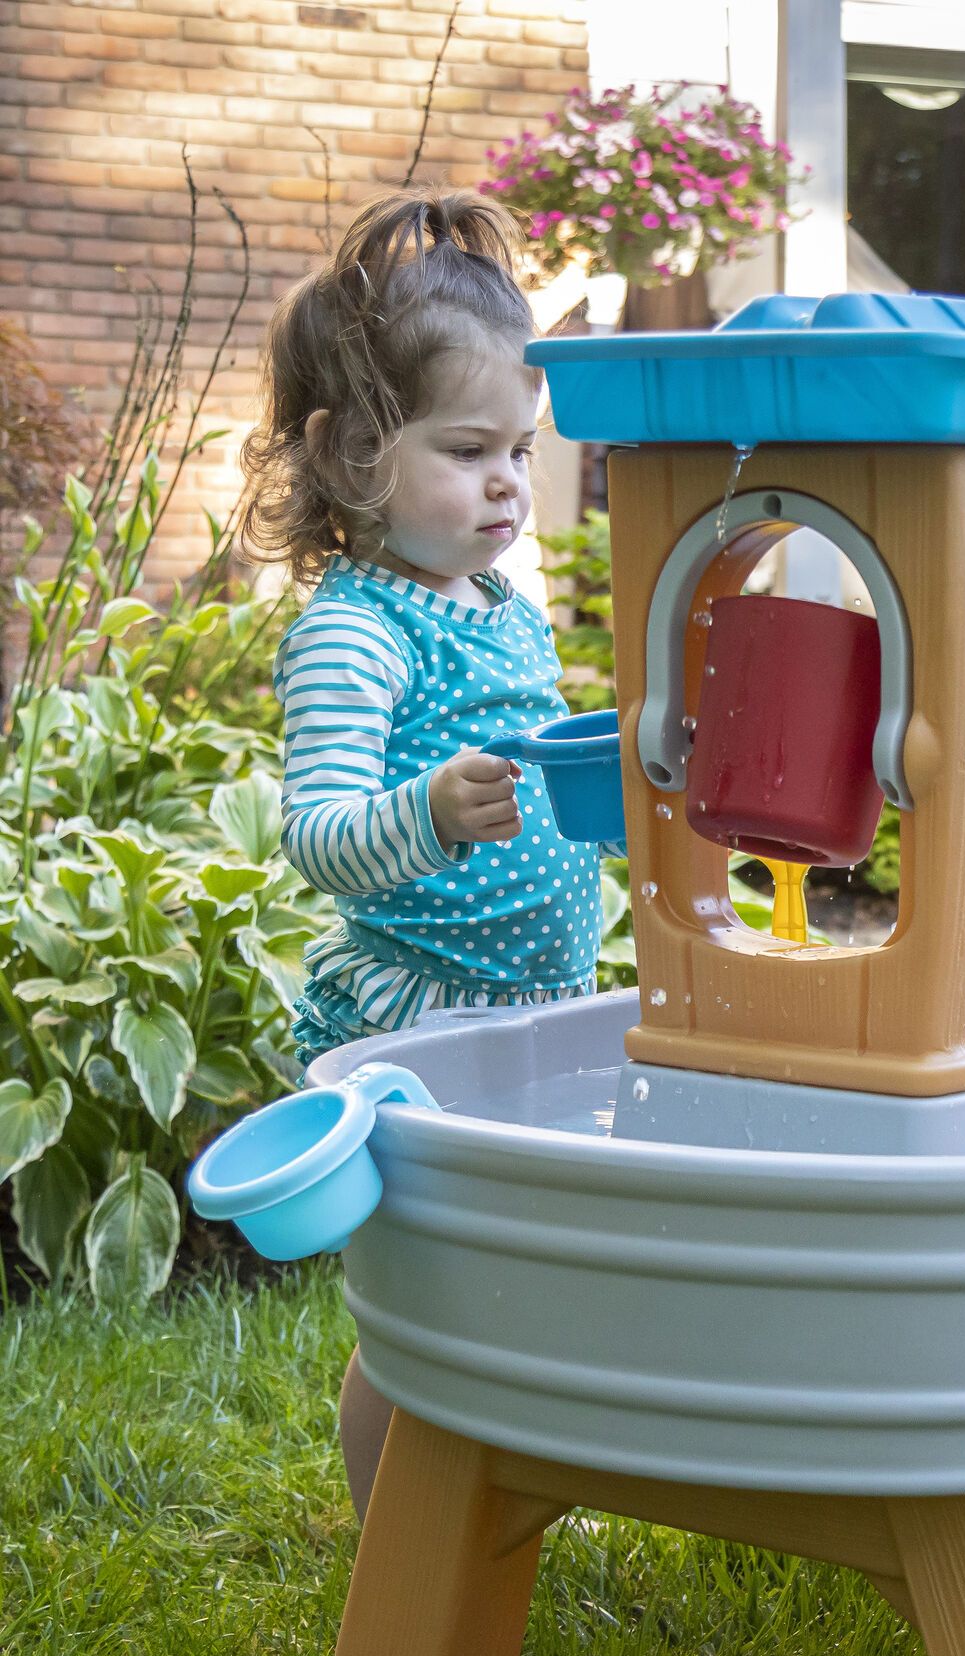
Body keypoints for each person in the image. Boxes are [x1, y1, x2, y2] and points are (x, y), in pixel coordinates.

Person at [241, 190, 607, 1521]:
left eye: (521, 445)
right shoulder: (354, 631)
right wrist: (431, 811)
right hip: (423, 1028)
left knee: (518, 1294)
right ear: (349, 457)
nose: (511, 479)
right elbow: (320, 840)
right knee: (427, 1319)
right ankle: (402, 1549)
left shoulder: (510, 600)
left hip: (530, 1012)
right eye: (470, 449)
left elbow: (542, 764)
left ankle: (488, 1524)